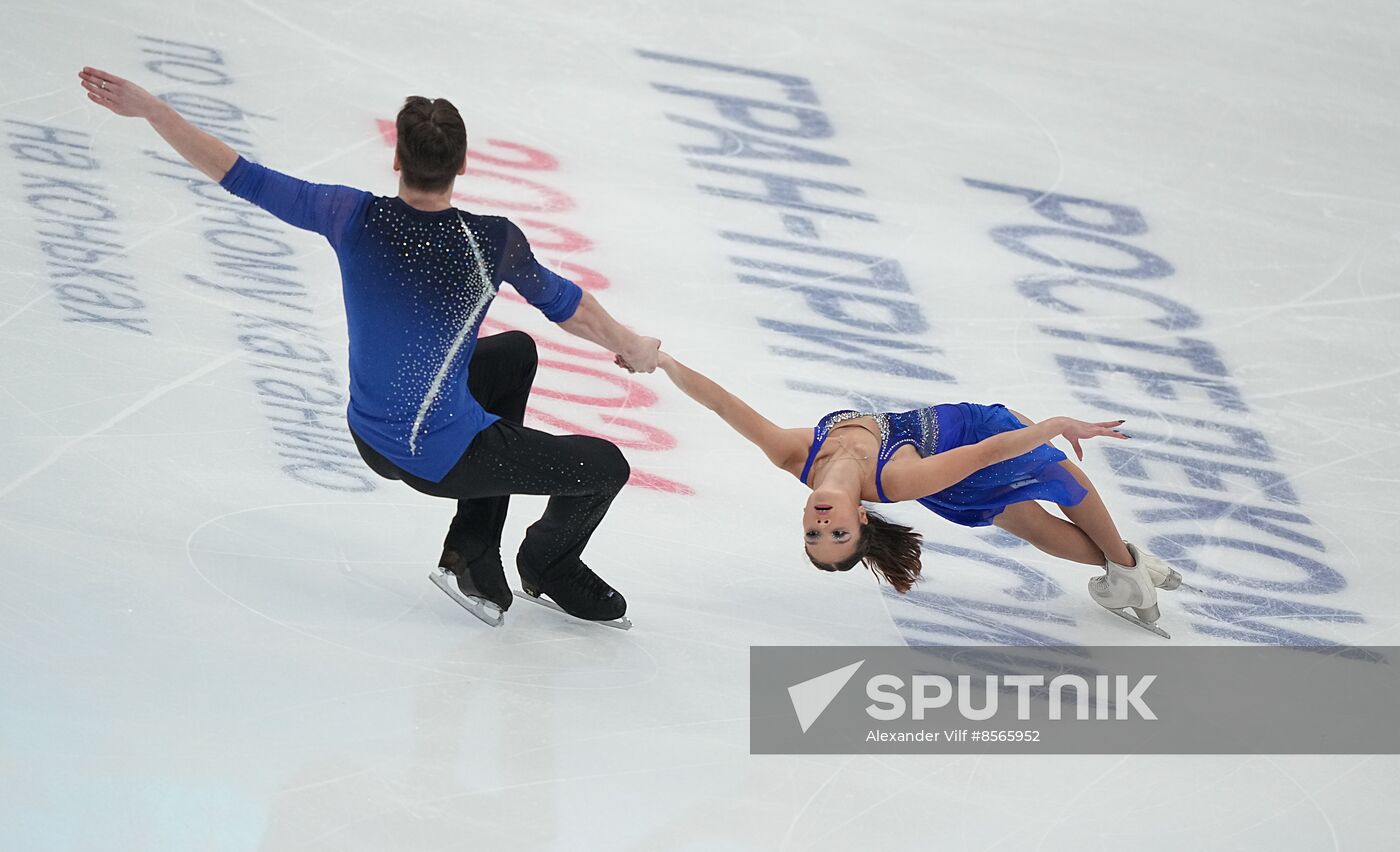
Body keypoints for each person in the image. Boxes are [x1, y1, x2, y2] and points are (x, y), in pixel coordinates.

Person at [79, 67, 660, 627]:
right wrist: (631, 346)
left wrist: (151, 109)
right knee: (606, 466)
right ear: (462, 164)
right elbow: (572, 307)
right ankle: (547, 563)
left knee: (515, 355)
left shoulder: (351, 216)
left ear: (397, 159)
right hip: (439, 456)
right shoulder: (492, 244)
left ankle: (473, 551)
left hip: (371, 435)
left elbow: (240, 174)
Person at [630, 351, 1186, 636]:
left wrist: (665, 363)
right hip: (973, 444)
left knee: (1035, 522)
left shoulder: (792, 454)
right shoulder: (894, 481)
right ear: (863, 522)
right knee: (1063, 483)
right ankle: (1128, 567)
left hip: (959, 458)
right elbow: (989, 453)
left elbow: (722, 404)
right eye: (838, 534)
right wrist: (1057, 424)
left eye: (814, 532)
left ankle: (1128, 572)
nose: (824, 522)